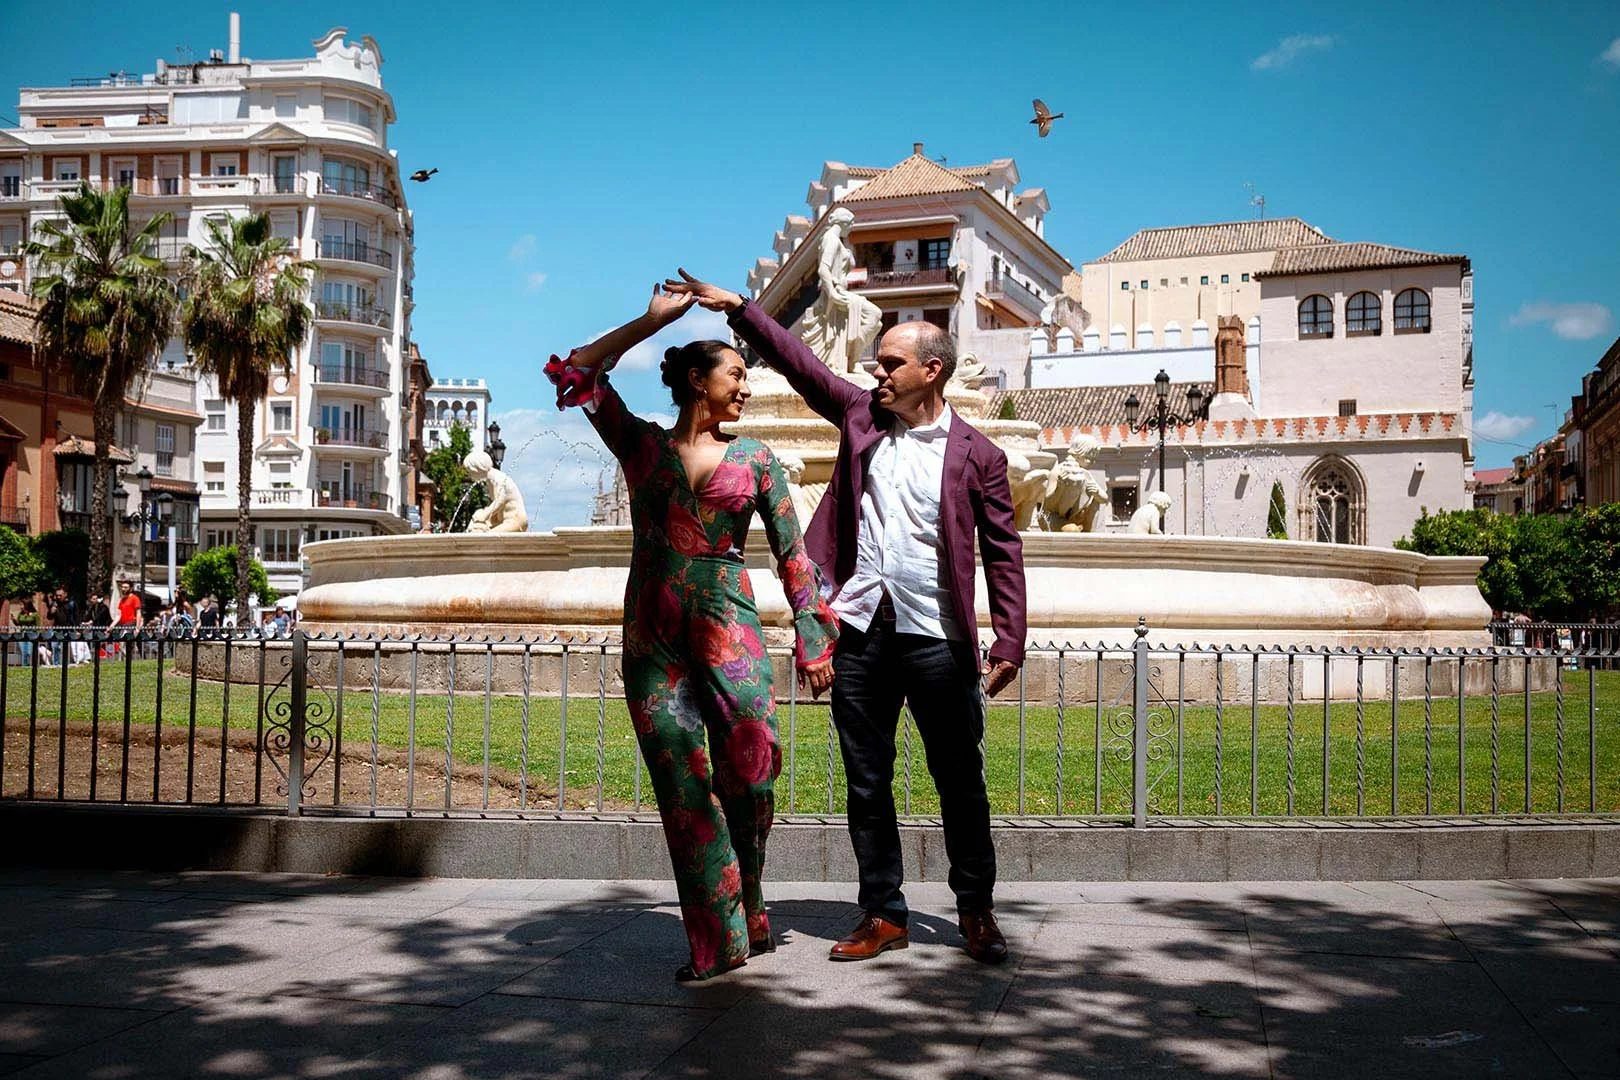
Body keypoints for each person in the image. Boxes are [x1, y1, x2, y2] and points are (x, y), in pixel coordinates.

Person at [667, 270, 1027, 965]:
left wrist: (1008, 635)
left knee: (960, 780)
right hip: (861, 631)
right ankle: (882, 912)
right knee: (867, 779)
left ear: (933, 370)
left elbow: (1002, 551)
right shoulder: (861, 416)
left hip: (938, 637)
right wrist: (740, 308)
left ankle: (976, 910)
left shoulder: (980, 455)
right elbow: (804, 368)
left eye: (891, 363)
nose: (876, 373)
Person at [557, 285, 837, 982]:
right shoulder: (641, 448)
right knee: (685, 788)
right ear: (696, 381)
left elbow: (794, 555)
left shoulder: (760, 462)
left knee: (752, 774)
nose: (745, 387)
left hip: (729, 632)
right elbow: (575, 374)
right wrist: (650, 322)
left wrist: (813, 636)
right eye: (736, 374)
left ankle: (750, 896)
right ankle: (717, 940)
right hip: (654, 641)